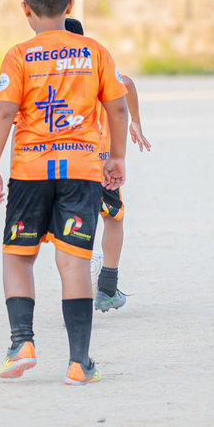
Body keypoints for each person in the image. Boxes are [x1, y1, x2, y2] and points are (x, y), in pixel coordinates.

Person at [0, 0, 129, 386]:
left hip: (30, 170)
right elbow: (118, 107)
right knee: (73, 262)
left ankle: (21, 343)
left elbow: (4, 112)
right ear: (70, 7)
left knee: (18, 256)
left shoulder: (19, 55)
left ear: (25, 9)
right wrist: (117, 157)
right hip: (81, 168)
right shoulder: (94, 51)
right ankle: (79, 362)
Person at [64, 18, 152, 313]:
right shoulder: (95, 69)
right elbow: (127, 83)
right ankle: (107, 287)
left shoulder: (47, 75)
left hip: (62, 163)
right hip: (99, 162)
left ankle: (76, 299)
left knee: (71, 225)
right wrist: (136, 122)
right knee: (112, 219)